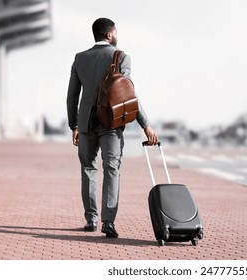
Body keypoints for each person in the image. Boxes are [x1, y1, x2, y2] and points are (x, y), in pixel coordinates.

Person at [66, 18, 158, 238]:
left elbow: (71, 97)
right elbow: (129, 96)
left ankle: (91, 219)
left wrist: (74, 124)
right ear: (109, 34)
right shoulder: (120, 57)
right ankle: (108, 221)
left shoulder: (80, 58)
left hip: (86, 123)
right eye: (116, 31)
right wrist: (146, 126)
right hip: (111, 123)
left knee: (88, 169)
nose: (117, 35)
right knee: (112, 169)